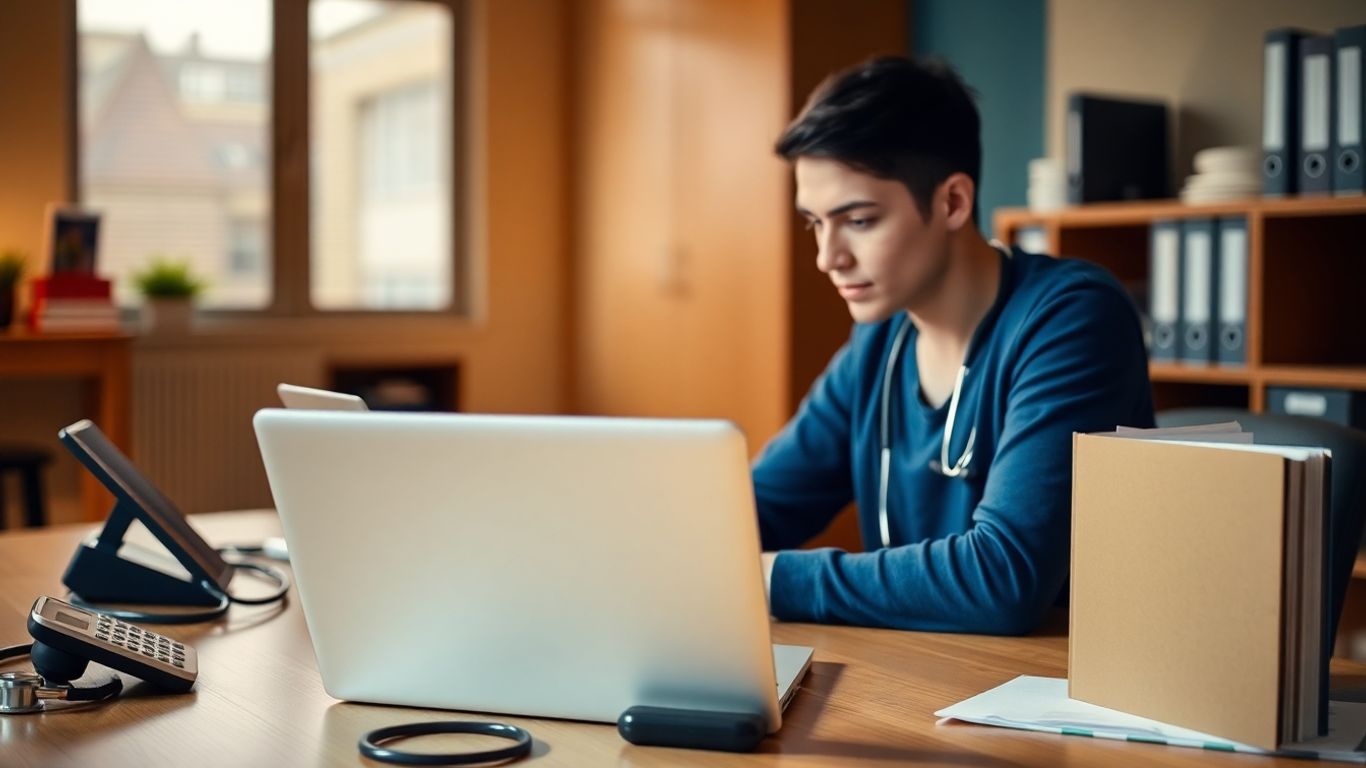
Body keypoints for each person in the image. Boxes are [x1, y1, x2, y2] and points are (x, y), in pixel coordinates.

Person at [753, 55, 1154, 635]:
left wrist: (775, 578)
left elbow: (1004, 578)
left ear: (953, 203)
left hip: (1060, 681)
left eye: (858, 221)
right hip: (923, 672)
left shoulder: (1072, 317)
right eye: (815, 222)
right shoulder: (878, 343)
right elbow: (752, 509)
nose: (827, 257)